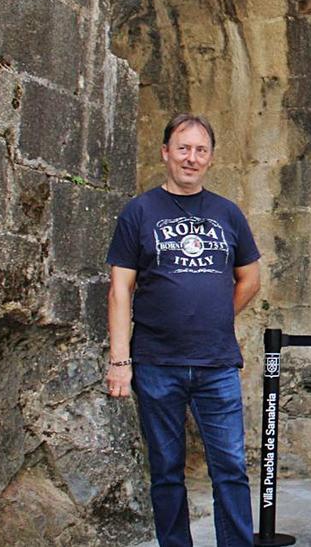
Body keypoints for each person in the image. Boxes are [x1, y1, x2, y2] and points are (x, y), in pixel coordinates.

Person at [105, 113, 261, 547]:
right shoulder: (139, 212)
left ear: (210, 158)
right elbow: (120, 289)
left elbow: (250, 278)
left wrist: (216, 315)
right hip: (156, 363)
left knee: (230, 467)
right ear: (166, 153)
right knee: (167, 469)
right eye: (183, 148)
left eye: (200, 150)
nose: (191, 158)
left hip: (217, 364)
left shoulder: (227, 213)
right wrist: (120, 362)